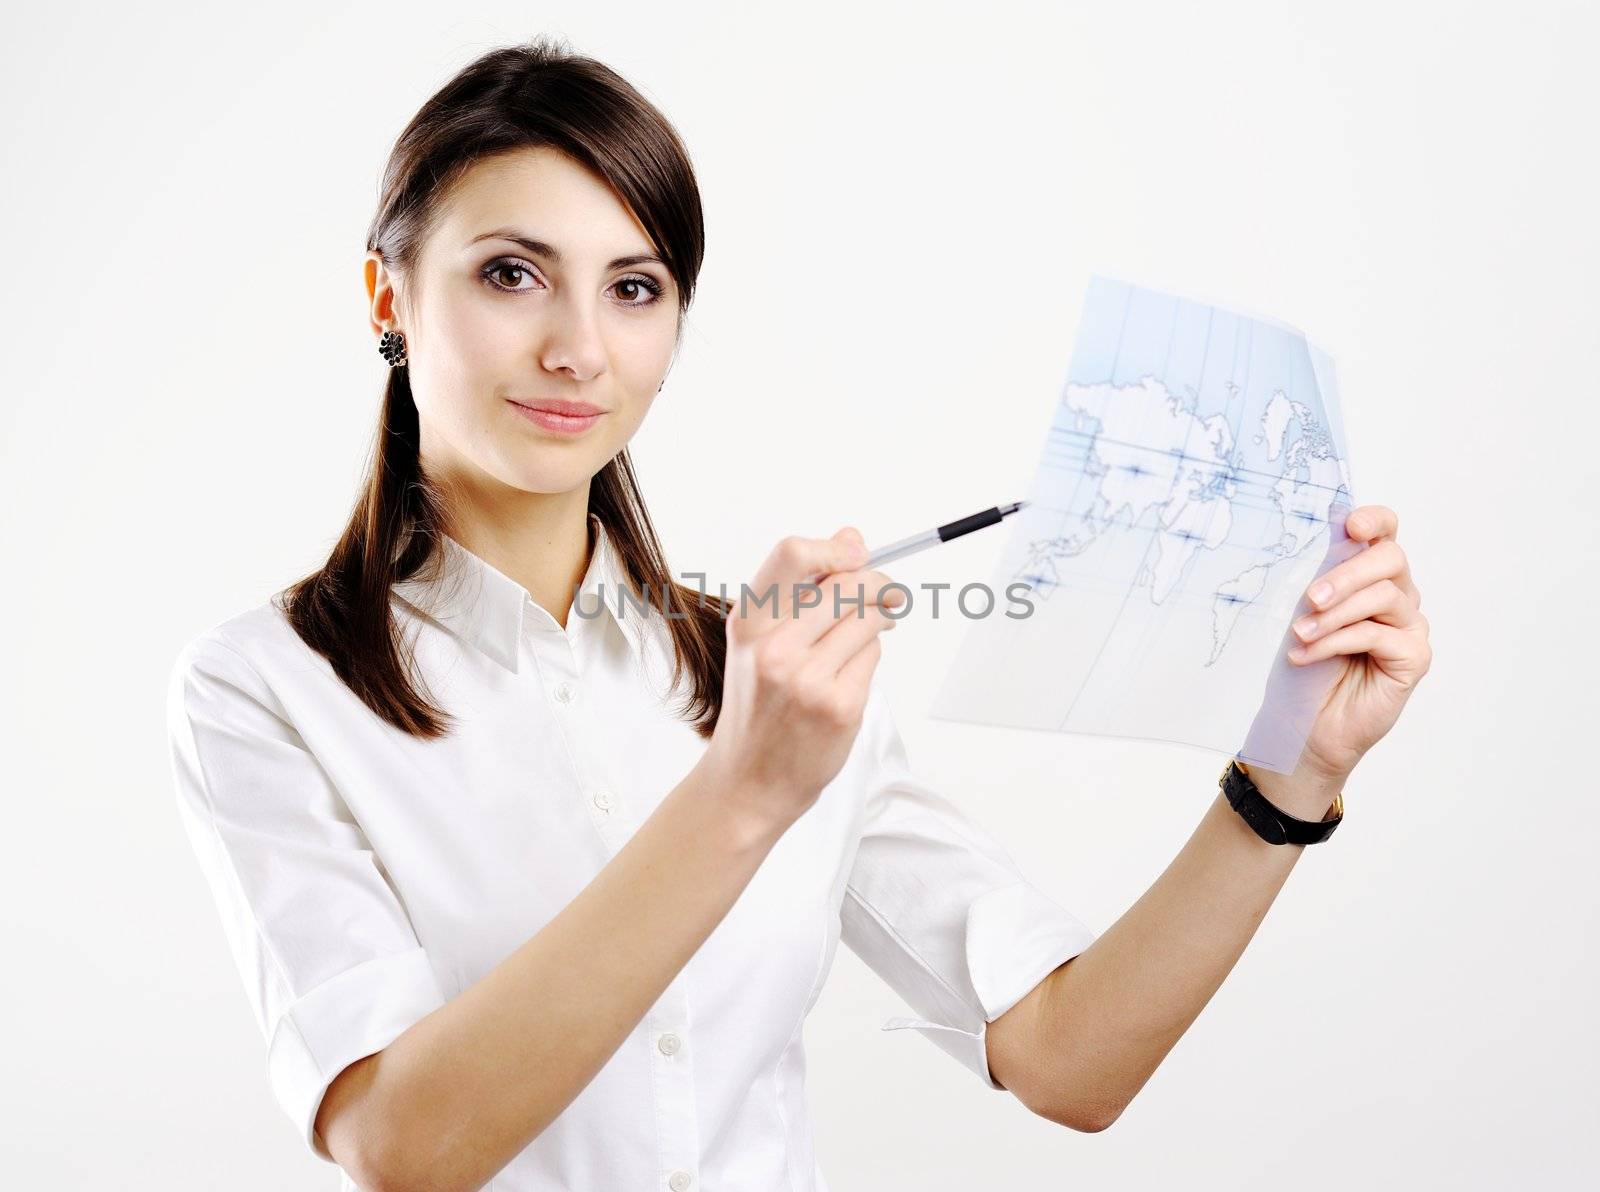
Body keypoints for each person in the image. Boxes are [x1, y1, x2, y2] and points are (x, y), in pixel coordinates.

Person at [165, 36, 1432, 1192]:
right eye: (511, 274)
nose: (578, 350)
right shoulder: (261, 687)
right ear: (387, 296)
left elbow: (1068, 1061)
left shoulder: (761, 673)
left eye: (635, 287)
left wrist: (1293, 770)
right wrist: (747, 790)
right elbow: (404, 1143)